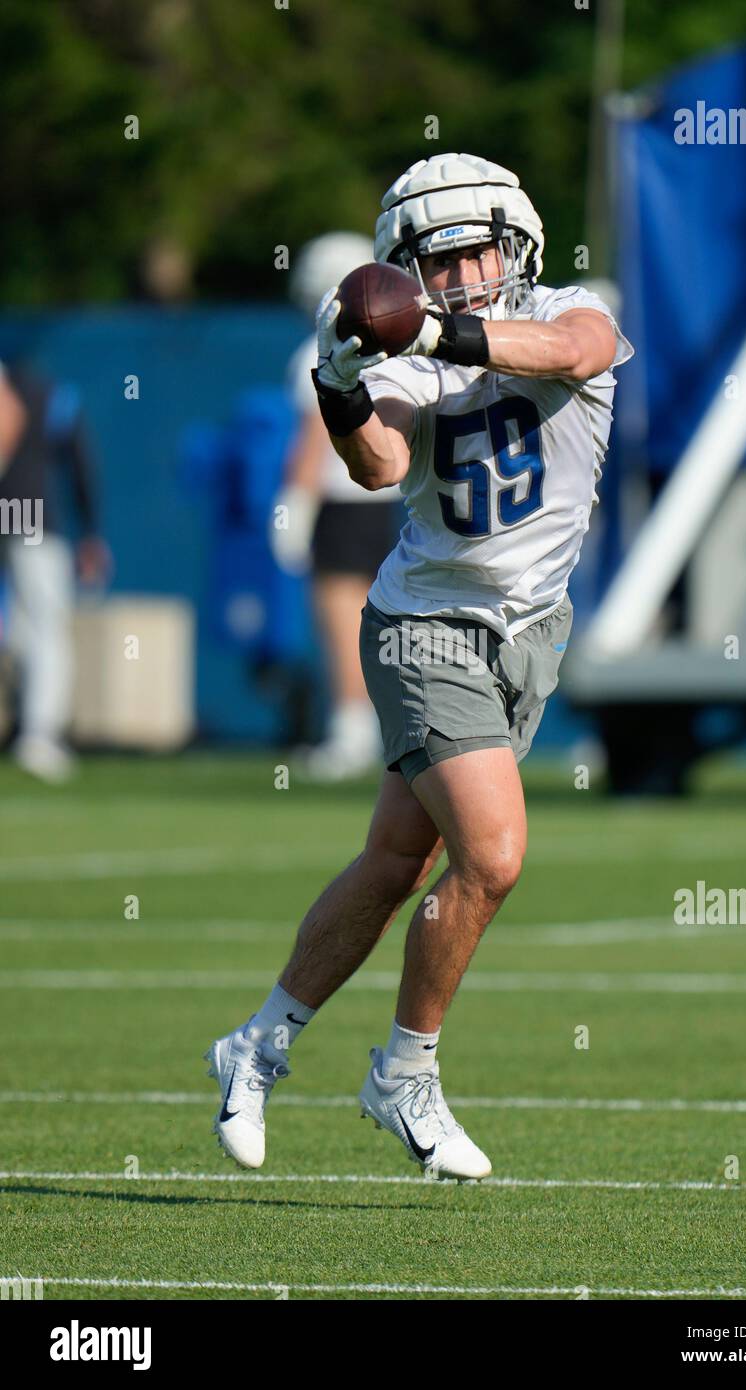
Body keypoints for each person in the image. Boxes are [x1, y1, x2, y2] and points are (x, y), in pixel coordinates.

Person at [207, 153, 633, 1180]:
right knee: (490, 855)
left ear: (517, 242)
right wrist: (340, 381)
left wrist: (437, 329)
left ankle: (258, 1040)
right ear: (404, 266)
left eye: (473, 251)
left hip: (529, 631)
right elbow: (381, 464)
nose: (455, 275)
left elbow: (575, 351)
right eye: (432, 264)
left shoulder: (572, 307)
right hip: (424, 627)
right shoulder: (405, 362)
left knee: (395, 864)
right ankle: (405, 1070)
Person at [271, 233, 403, 778]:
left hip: (343, 499)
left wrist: (293, 505)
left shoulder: (321, 348)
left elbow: (312, 441)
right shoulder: (398, 344)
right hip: (397, 497)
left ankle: (352, 732)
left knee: (343, 620)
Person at [0, 359, 110, 782]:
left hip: (16, 515)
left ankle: (33, 728)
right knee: (45, 627)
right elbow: (81, 465)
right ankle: (39, 734)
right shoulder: (52, 394)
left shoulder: (53, 395)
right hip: (30, 515)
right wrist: (91, 532)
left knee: (26, 627)